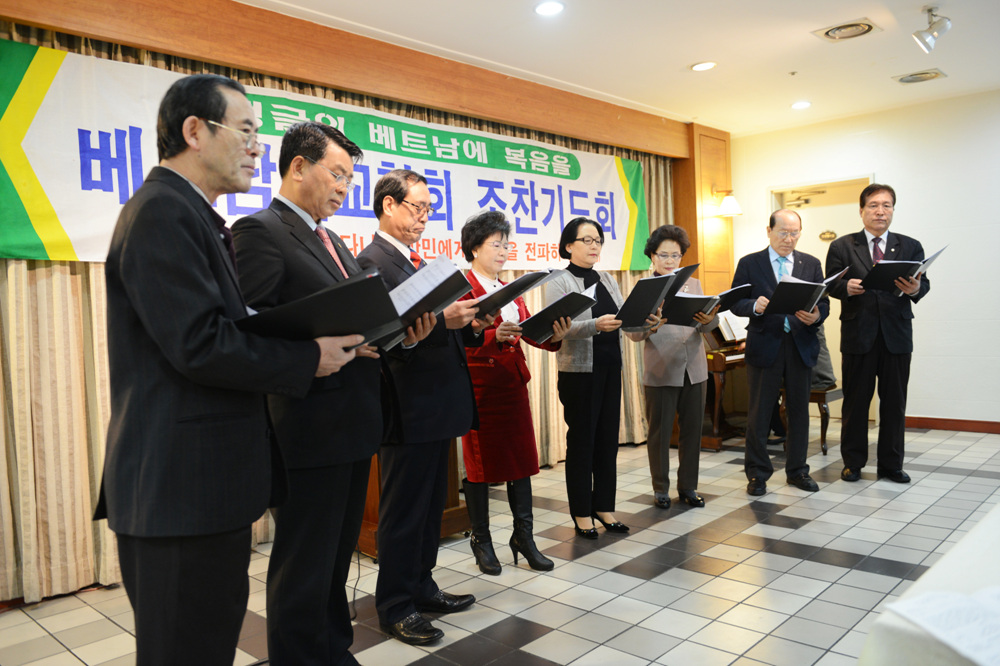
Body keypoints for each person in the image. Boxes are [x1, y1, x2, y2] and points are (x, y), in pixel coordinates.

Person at [95, 75, 360, 665]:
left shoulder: (193, 214)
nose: (257, 148)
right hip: (180, 487)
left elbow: (228, 328)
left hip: (203, 486)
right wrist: (309, 357)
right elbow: (201, 344)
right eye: (244, 131)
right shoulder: (162, 211)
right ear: (195, 131)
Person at [231, 122, 388, 665]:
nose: (344, 187)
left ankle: (334, 652)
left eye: (350, 178)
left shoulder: (332, 239)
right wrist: (313, 351)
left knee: (335, 559)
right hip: (307, 428)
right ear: (298, 166)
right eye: (337, 174)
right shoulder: (259, 231)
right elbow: (248, 332)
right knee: (304, 564)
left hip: (350, 421)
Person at [357, 169, 483, 646]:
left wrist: (470, 323)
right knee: (404, 512)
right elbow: (383, 340)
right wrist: (443, 322)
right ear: (389, 205)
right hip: (407, 409)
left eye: (429, 209)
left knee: (429, 510)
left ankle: (422, 586)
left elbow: (434, 328)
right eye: (417, 207)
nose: (424, 217)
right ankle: (395, 604)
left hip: (436, 405)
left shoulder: (417, 262)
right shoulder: (371, 262)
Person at [458, 210, 570, 575]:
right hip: (480, 388)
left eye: (507, 245)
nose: (503, 251)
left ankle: (524, 537)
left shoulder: (509, 289)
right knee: (480, 466)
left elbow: (528, 331)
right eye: (496, 245)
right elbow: (457, 341)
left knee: (521, 462)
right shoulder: (463, 289)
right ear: (475, 248)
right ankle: (482, 540)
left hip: (512, 385)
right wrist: (494, 335)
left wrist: (554, 333)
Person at [544, 217, 650, 538]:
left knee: (606, 441)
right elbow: (556, 328)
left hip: (610, 369)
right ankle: (581, 513)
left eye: (598, 241)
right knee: (582, 443)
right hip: (579, 374)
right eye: (587, 240)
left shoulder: (606, 279)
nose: (594, 246)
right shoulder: (559, 281)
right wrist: (594, 325)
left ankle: (604, 507)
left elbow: (626, 323)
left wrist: (648, 323)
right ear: (569, 245)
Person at [826, 184, 930, 484]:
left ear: (893, 210)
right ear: (861, 210)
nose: (880, 211)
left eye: (887, 205)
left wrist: (916, 289)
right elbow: (829, 284)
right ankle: (853, 463)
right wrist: (845, 287)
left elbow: (924, 284)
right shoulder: (842, 246)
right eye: (873, 205)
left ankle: (891, 465)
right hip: (858, 335)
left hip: (896, 336)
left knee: (894, 404)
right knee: (856, 403)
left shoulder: (910, 245)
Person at [730, 209, 828, 497]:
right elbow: (736, 302)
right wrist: (754, 306)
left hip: (800, 345)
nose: (789, 238)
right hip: (765, 344)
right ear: (769, 231)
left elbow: (823, 303)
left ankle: (798, 471)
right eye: (783, 232)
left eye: (795, 233)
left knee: (799, 412)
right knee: (759, 414)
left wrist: (817, 316)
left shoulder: (811, 263)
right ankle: (757, 474)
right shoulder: (750, 263)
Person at [631, 225, 717, 509]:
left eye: (676, 255)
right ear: (652, 256)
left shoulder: (694, 284)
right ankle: (661, 489)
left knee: (692, 432)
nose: (670, 261)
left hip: (695, 369)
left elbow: (708, 325)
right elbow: (632, 333)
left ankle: (688, 487)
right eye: (664, 255)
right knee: (660, 434)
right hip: (661, 370)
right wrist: (650, 327)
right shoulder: (644, 288)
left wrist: (710, 320)